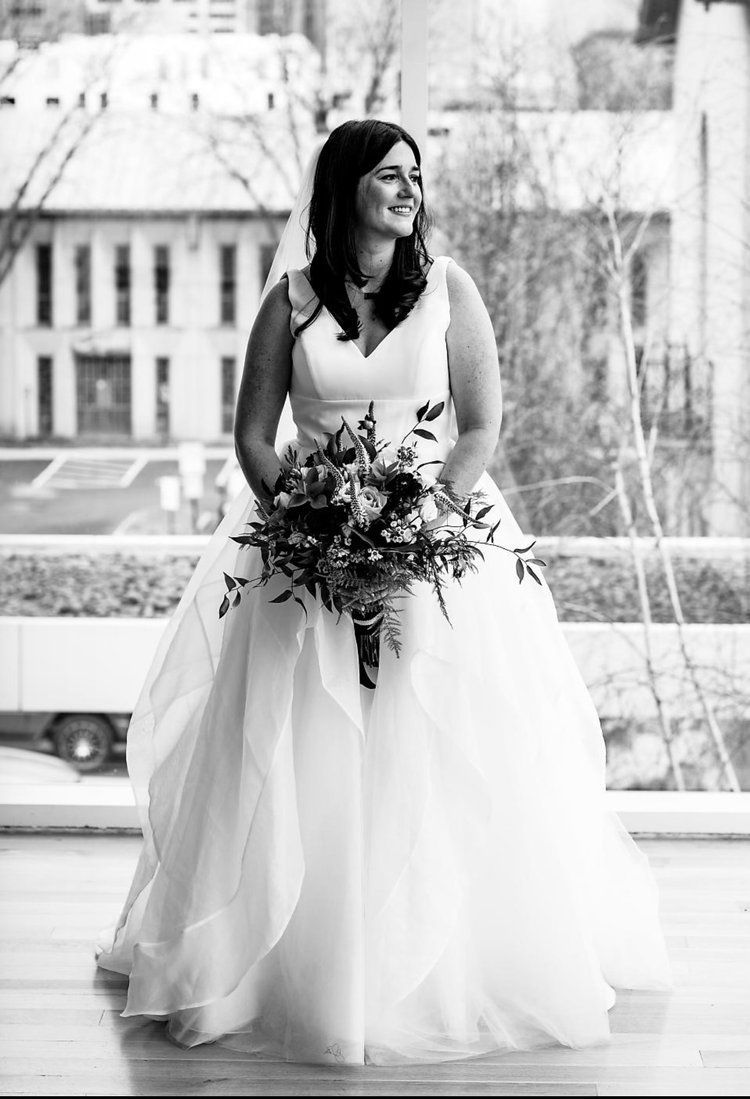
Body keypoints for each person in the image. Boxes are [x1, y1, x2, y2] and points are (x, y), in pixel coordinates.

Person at [96, 119, 672, 1066]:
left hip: (437, 545)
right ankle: (294, 960)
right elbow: (253, 435)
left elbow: (481, 426)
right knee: (299, 750)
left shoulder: (451, 290)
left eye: (416, 176)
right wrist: (312, 525)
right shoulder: (287, 304)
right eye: (389, 176)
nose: (409, 190)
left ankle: (437, 959)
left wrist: (424, 524)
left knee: (434, 736)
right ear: (344, 189)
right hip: (306, 546)